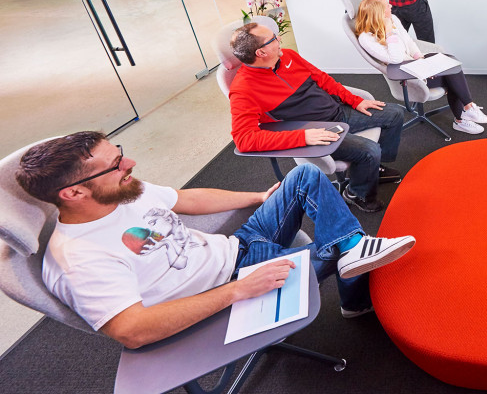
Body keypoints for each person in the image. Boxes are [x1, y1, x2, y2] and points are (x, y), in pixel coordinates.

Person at [16, 132, 418, 349]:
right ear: (72, 194)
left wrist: (262, 198)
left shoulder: (125, 190)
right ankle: (355, 285)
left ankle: (353, 272)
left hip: (240, 247)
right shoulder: (80, 258)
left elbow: (187, 198)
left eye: (120, 153)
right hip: (230, 291)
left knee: (305, 178)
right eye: (115, 164)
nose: (130, 163)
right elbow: (132, 331)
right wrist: (239, 291)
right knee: (341, 244)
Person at [229, 22, 404, 213]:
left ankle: (374, 169)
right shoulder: (243, 89)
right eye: (273, 38)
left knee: (394, 113)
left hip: (336, 111)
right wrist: (303, 137)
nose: (279, 39)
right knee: (369, 150)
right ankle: (356, 193)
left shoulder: (288, 55)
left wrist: (355, 101)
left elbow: (322, 78)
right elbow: (244, 140)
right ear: (261, 53)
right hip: (316, 131)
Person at [355, 0, 487, 135]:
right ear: (379, 14)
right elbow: (395, 59)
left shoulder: (393, 18)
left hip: (415, 64)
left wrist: (420, 59)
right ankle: (464, 115)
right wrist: (389, 30)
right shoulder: (366, 38)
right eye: (387, 6)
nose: (391, 6)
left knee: (451, 64)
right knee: (452, 76)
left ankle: (467, 111)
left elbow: (409, 41)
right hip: (405, 76)